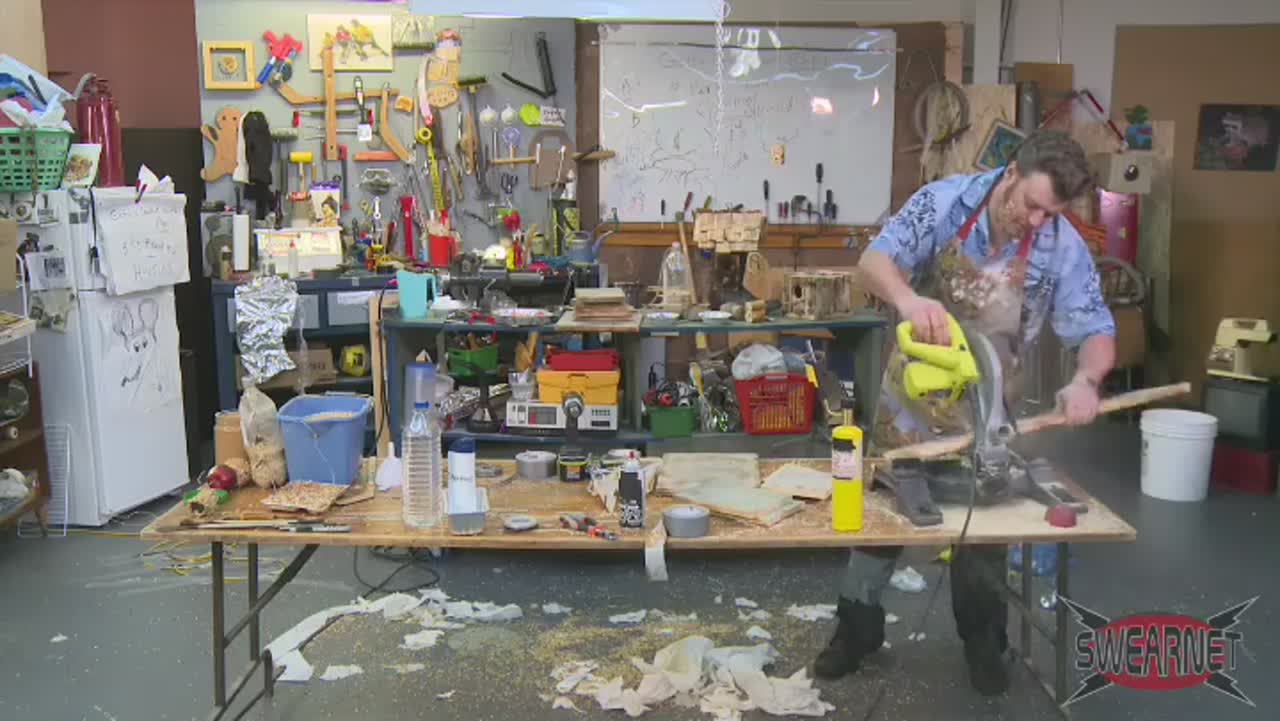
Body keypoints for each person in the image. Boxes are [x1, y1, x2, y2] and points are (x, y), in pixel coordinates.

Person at [813, 130, 1116, 694]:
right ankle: (856, 629)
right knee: (882, 520)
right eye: (1030, 205)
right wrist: (908, 298)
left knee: (985, 527)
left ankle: (983, 642)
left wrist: (1087, 379)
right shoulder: (944, 202)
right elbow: (873, 262)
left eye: (1049, 214)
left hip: (989, 409)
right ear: (1010, 174)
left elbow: (1096, 327)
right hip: (911, 401)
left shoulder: (1063, 246)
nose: (1035, 221)